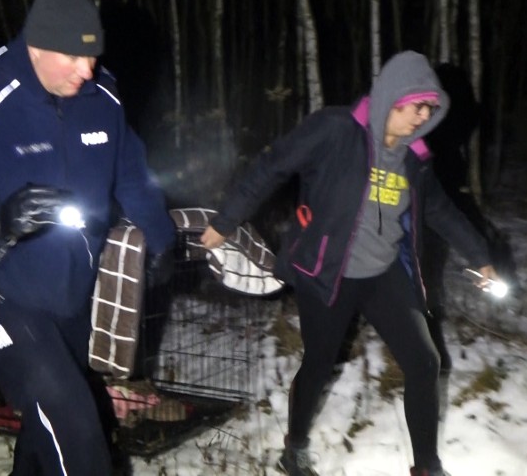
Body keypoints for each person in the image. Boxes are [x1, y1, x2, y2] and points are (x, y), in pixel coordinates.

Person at [0, 0, 176, 474]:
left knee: (48, 427)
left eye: (93, 55)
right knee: (79, 432)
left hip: (73, 290)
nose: (87, 69)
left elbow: (132, 175)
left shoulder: (101, 96)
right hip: (1, 285)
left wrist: (161, 237)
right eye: (73, 56)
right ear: (37, 45)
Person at [201, 51, 500, 476]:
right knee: (320, 362)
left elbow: (441, 211)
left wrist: (482, 256)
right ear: (394, 97)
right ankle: (296, 447)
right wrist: (227, 219)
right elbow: (273, 166)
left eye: (430, 110)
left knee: (424, 362)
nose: (423, 117)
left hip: (383, 272)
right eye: (418, 106)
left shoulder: (415, 160)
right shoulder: (336, 129)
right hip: (328, 270)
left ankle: (428, 467)